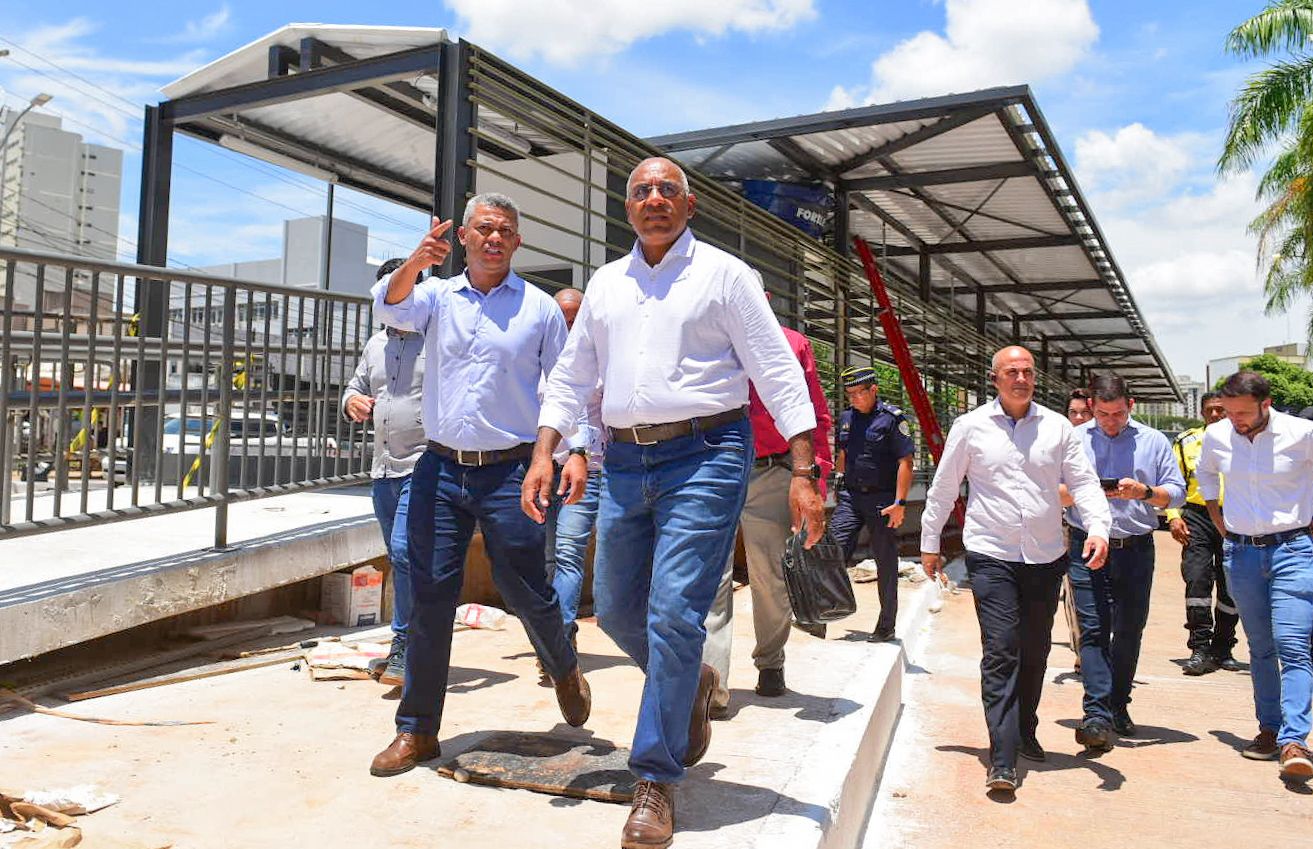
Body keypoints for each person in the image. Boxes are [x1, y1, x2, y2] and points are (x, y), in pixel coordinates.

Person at [523, 157, 825, 849]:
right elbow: (571, 376)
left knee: (673, 610)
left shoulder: (724, 275)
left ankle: (654, 778)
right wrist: (544, 450)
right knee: (616, 605)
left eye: (666, 190)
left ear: (689, 205)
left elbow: (776, 371)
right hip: (625, 458)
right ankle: (689, 679)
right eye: (640, 191)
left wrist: (805, 468)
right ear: (627, 209)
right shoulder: (605, 284)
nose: (653, 199)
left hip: (708, 453)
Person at [366, 193, 591, 778]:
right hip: (439, 467)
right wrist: (415, 262)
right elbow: (389, 309)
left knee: (524, 588)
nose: (494, 238)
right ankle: (417, 731)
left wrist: (576, 451)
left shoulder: (540, 309)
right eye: (484, 229)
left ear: (517, 243)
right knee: (429, 597)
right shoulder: (435, 297)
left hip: (511, 470)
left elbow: (565, 384)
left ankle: (563, 663)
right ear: (463, 238)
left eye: (506, 231)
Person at [921, 346, 1110, 794]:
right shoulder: (970, 427)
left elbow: (1083, 482)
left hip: (1045, 556)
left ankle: (1025, 727)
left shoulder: (1058, 427)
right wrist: (930, 543)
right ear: (995, 378)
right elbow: (945, 487)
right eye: (1012, 372)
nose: (1021, 378)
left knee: (1035, 650)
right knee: (1002, 650)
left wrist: (1099, 527)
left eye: (1027, 371)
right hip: (991, 554)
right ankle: (1001, 758)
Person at [701, 304, 834, 714]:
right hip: (712, 466)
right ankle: (713, 685)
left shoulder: (792, 345)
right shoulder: (707, 344)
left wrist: (816, 480)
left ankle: (770, 662)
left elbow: (816, 416)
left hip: (770, 470)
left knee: (769, 575)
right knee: (710, 578)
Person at [1199, 371, 1313, 782]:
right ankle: (1270, 729)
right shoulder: (1218, 435)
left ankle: (1295, 739)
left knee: (1293, 643)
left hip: (1293, 550)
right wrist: (1216, 514)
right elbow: (1206, 473)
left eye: (1243, 413)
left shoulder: (1302, 434)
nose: (1235, 420)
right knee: (1260, 647)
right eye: (1228, 413)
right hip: (1242, 553)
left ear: (1266, 405)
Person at [1060, 373, 1184, 752]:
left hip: (1136, 547)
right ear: (1091, 408)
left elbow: (1176, 491)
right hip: (1087, 544)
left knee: (1129, 629)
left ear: (1130, 406)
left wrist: (1144, 492)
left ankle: (1118, 705)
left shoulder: (1154, 441)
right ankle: (1096, 712)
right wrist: (1091, 490)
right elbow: (1056, 491)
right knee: (1094, 628)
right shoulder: (1074, 441)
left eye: (1117, 414)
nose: (1110, 422)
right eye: (1102, 414)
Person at [342, 258, 427, 687]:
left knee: (406, 554)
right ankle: (413, 646)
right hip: (383, 469)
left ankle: (407, 648)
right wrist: (350, 402)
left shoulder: (438, 340)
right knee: (400, 558)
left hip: (424, 465)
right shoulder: (374, 345)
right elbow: (356, 387)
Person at [537, 287, 605, 686]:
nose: (567, 323)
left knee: (567, 554)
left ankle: (560, 640)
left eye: (574, 316)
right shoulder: (541, 356)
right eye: (561, 315)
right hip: (545, 471)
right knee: (546, 560)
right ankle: (555, 639)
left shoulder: (599, 357)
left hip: (588, 470)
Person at [830, 365, 915, 642]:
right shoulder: (846, 418)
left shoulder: (892, 419)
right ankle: (822, 614)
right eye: (849, 394)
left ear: (873, 390)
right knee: (832, 551)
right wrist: (839, 478)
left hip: (883, 500)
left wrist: (901, 502)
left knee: (885, 561)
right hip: (851, 497)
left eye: (859, 393)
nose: (854, 398)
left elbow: (906, 462)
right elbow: (843, 452)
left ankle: (886, 625)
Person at [1166, 392, 1238, 676]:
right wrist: (1173, 517)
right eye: (1211, 410)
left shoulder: (1245, 441)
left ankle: (1223, 648)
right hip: (1197, 516)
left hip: (1235, 518)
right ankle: (1199, 648)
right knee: (1197, 580)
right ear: (1203, 413)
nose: (1217, 415)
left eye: (1222, 410)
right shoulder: (1186, 441)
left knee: (1231, 584)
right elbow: (1173, 482)